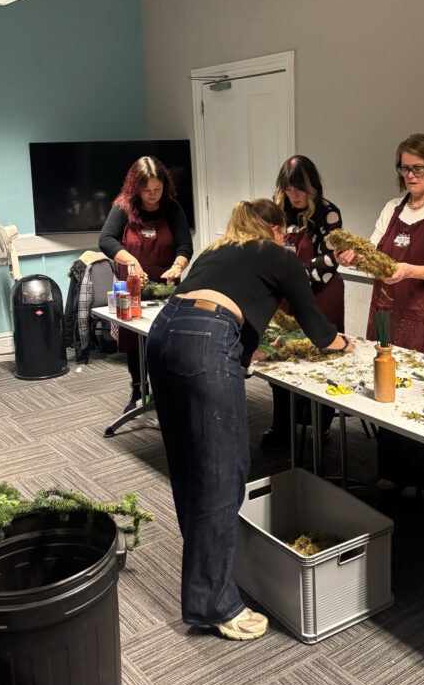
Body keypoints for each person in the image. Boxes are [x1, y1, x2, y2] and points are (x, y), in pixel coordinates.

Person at [145, 199, 354, 640]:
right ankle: (215, 604)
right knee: (223, 472)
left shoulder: (215, 251)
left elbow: (213, 305)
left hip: (162, 334)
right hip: (207, 340)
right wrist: (343, 343)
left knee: (188, 466)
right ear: (276, 230)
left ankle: (205, 584)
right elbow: (316, 328)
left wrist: (244, 350)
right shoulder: (278, 255)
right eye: (285, 232)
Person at [337, 133, 424, 495]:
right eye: (404, 168)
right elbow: (375, 255)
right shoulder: (393, 207)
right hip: (387, 313)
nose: (410, 175)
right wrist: (354, 258)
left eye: (417, 168)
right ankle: (394, 469)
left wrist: (410, 270)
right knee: (387, 387)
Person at [261, 155, 344, 448]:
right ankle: (282, 426)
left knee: (320, 359)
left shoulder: (328, 213)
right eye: (288, 190)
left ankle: (320, 425)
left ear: (312, 188)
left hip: (321, 295)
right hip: (286, 296)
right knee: (280, 357)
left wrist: (291, 276)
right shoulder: (278, 212)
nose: (294, 196)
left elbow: (330, 259)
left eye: (300, 190)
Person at [99, 156, 193, 411]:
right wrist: (130, 260)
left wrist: (178, 266)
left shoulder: (172, 208)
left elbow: (185, 245)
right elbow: (106, 240)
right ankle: (138, 391)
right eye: (147, 190)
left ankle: (167, 391)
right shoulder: (123, 208)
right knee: (136, 341)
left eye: (157, 189)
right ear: (136, 188)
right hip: (133, 287)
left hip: (165, 288)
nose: (153, 195)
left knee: (166, 339)